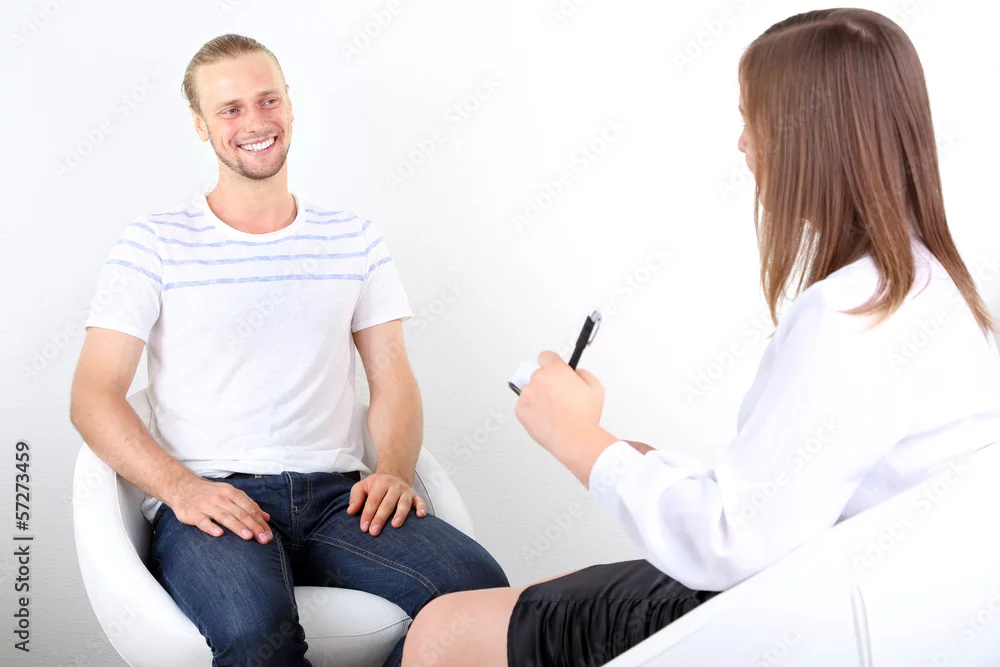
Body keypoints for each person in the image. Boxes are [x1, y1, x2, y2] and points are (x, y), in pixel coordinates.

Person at [401, 8, 1000, 666]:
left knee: (442, 629)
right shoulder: (933, 291)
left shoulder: (848, 315)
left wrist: (578, 440)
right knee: (534, 594)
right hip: (849, 598)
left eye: (752, 119)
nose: (742, 144)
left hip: (786, 611)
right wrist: (620, 448)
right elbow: (780, 492)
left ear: (811, 135)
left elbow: (728, 543)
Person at [69, 34, 508, 667]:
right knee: (256, 634)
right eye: (230, 109)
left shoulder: (354, 238)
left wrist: (393, 470)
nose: (255, 121)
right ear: (200, 124)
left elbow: (392, 377)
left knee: (483, 598)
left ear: (290, 105)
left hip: (339, 500)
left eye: (267, 100)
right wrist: (183, 490)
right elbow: (93, 395)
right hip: (214, 501)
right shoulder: (153, 243)